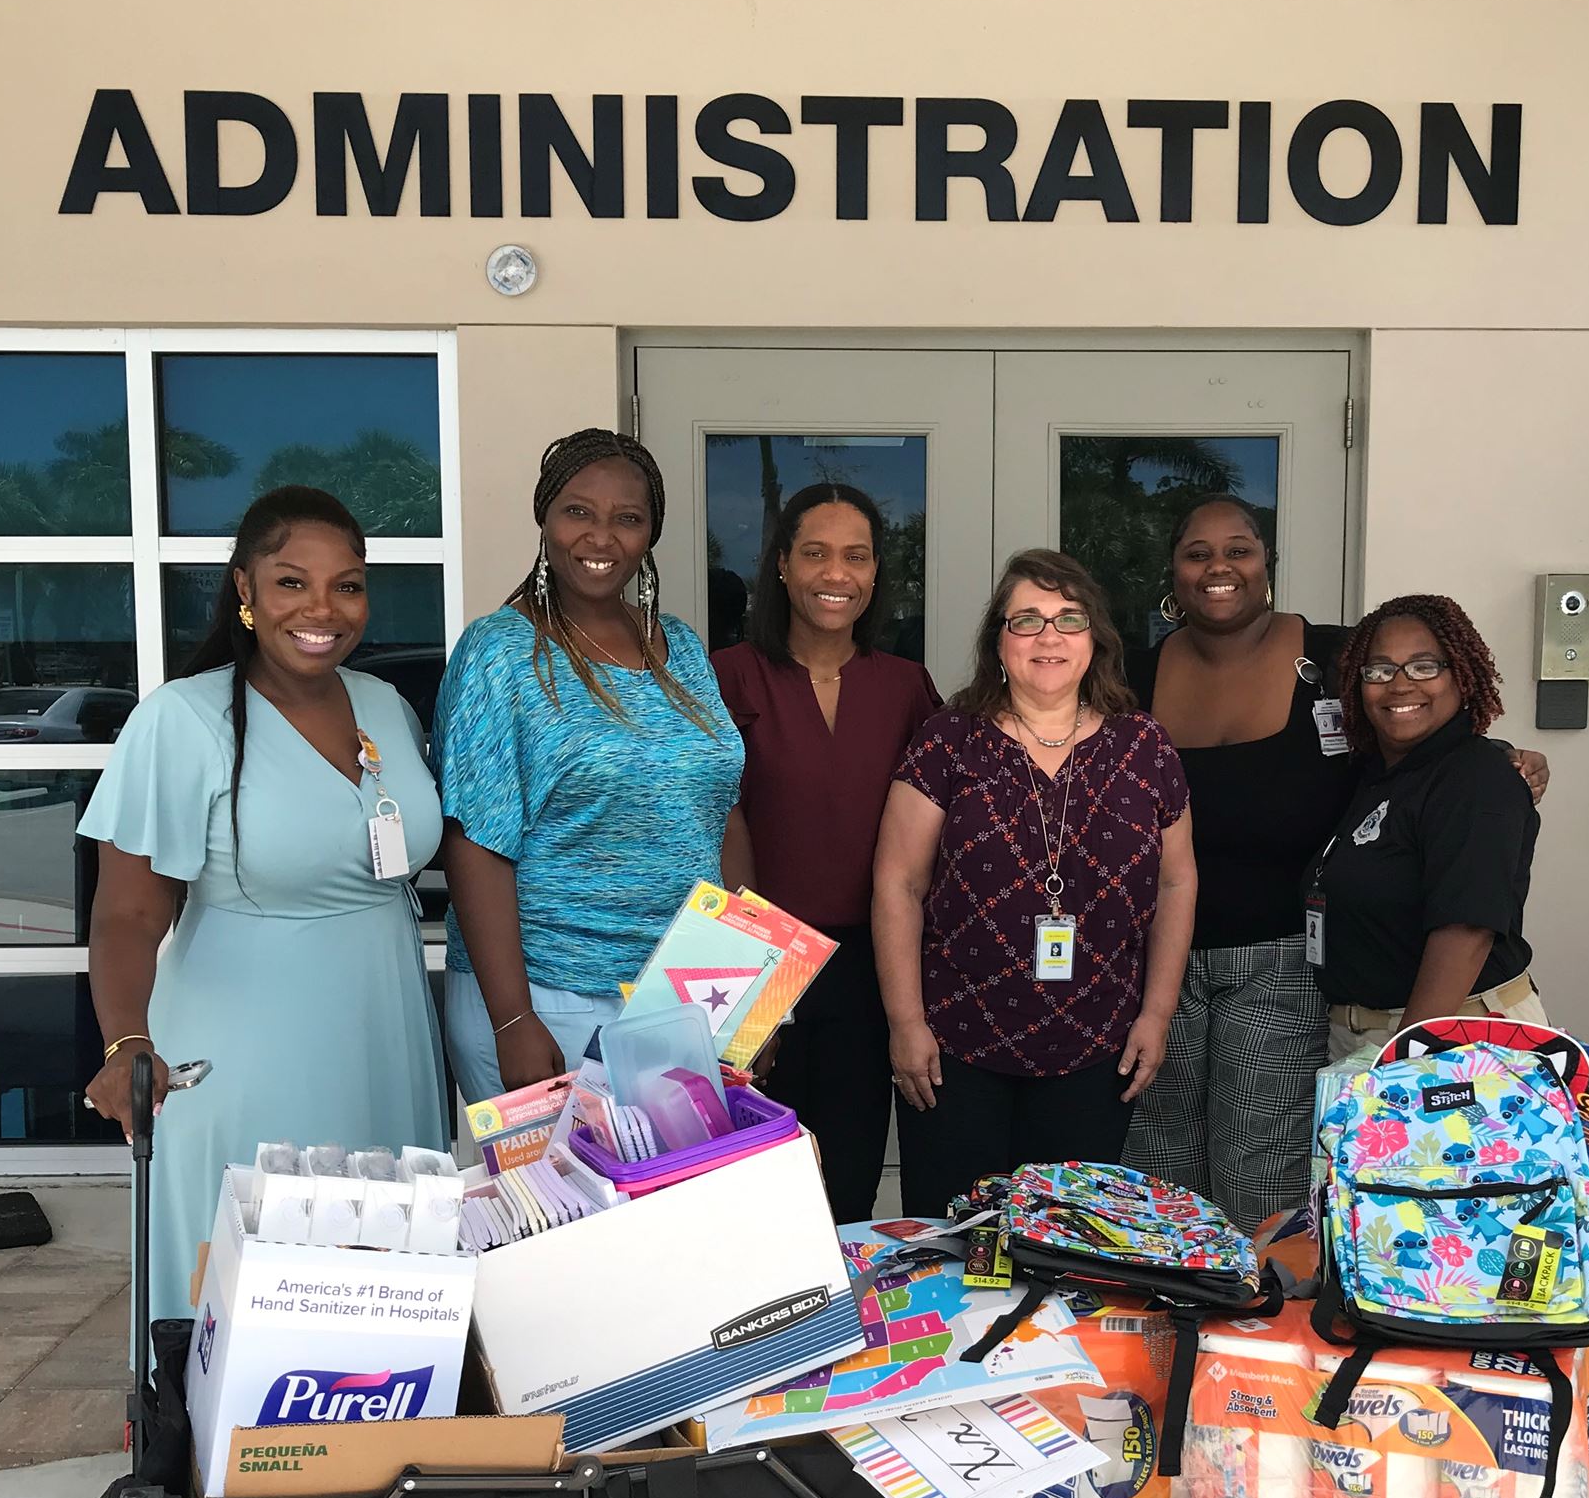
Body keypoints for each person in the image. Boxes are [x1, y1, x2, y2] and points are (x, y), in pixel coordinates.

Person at [1121, 499, 1549, 1229]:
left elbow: (1418, 740)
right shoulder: (1132, 673)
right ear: (1173, 569)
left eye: (1240, 549)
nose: (1219, 567)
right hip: (1155, 962)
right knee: (1157, 1161)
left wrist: (1504, 760)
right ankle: (1170, 1316)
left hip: (1286, 960)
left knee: (1265, 1165)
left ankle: (1253, 1322)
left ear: (1268, 562)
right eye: (1197, 552)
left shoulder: (1336, 658)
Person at [77, 486, 448, 1320]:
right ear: (244, 588)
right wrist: (127, 1040)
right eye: (292, 582)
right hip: (248, 1049)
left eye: (347, 585)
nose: (323, 608)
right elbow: (128, 913)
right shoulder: (185, 719)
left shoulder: (384, 705)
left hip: (384, 1027)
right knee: (256, 1287)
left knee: (385, 1277)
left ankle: (368, 1441)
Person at [873, 550, 1195, 1215]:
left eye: (1068, 619)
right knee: (956, 1244)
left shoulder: (1145, 746)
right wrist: (905, 1023)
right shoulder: (948, 741)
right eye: (1027, 620)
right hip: (954, 1053)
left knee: (1069, 1256)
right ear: (998, 641)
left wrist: (1157, 1015)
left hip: (1097, 1050)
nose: (1049, 636)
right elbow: (898, 883)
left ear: (1096, 639)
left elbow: (1176, 884)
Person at [435, 430, 748, 1101]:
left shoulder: (683, 647)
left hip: (683, 992)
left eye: (627, 519)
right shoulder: (501, 652)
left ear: (649, 535)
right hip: (550, 996)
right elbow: (475, 842)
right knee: (567, 1208)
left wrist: (746, 992)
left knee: (675, 1205)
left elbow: (723, 812)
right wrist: (512, 1019)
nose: (601, 537)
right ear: (545, 518)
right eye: (579, 511)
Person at [712, 483, 942, 1222]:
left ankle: (842, 1336)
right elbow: (712, 827)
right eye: (815, 553)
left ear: (877, 574)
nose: (835, 574)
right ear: (781, 566)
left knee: (846, 1182)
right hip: (756, 960)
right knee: (747, 1191)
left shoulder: (906, 687)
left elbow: (937, 839)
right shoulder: (726, 676)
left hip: (874, 968)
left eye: (856, 556)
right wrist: (752, 994)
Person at [1311, 592, 1546, 1060]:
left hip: (1452, 1040)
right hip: (1366, 1036)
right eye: (1379, 670)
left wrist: (1403, 1064)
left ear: (1461, 675)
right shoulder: (1379, 776)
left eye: (1423, 667)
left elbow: (1465, 932)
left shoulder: (1477, 779)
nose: (1399, 685)